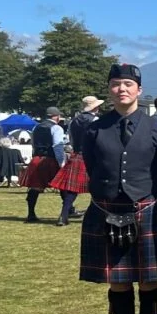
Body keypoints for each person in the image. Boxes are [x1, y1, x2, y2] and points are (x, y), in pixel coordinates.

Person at [79, 63, 157, 314]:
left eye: (128, 85)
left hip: (145, 210)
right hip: (106, 210)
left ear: (139, 90)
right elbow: (93, 168)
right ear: (109, 89)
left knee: (148, 281)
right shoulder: (94, 129)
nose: (122, 89)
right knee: (118, 282)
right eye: (116, 84)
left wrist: (146, 200)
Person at [49, 96, 101, 226]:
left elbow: (70, 139)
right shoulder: (96, 120)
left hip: (77, 155)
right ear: (96, 107)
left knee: (72, 189)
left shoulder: (74, 121)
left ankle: (63, 216)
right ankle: (97, 215)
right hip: (92, 156)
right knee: (99, 187)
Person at [22, 106, 65, 223]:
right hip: (50, 159)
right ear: (56, 116)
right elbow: (58, 146)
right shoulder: (56, 128)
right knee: (63, 186)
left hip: (37, 158)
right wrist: (62, 162)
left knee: (35, 187)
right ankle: (66, 212)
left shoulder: (36, 127)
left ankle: (31, 213)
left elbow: (33, 144)